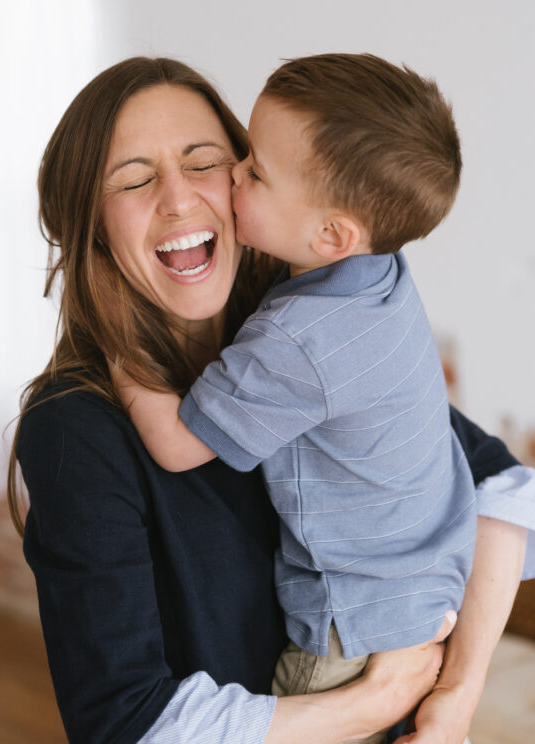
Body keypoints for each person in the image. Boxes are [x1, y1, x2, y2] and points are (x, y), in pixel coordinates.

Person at [9, 56, 531, 744]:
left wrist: (455, 697)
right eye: (134, 178)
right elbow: (123, 724)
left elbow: (501, 485)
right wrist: (369, 704)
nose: (178, 197)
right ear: (88, 223)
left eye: (207, 163)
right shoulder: (74, 430)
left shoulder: (300, 339)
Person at [113, 54, 476, 743]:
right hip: (420, 593)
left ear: (331, 234)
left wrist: (118, 346)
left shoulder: (297, 339)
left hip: (347, 630)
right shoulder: (382, 274)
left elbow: (177, 442)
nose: (231, 176)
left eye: (253, 172)